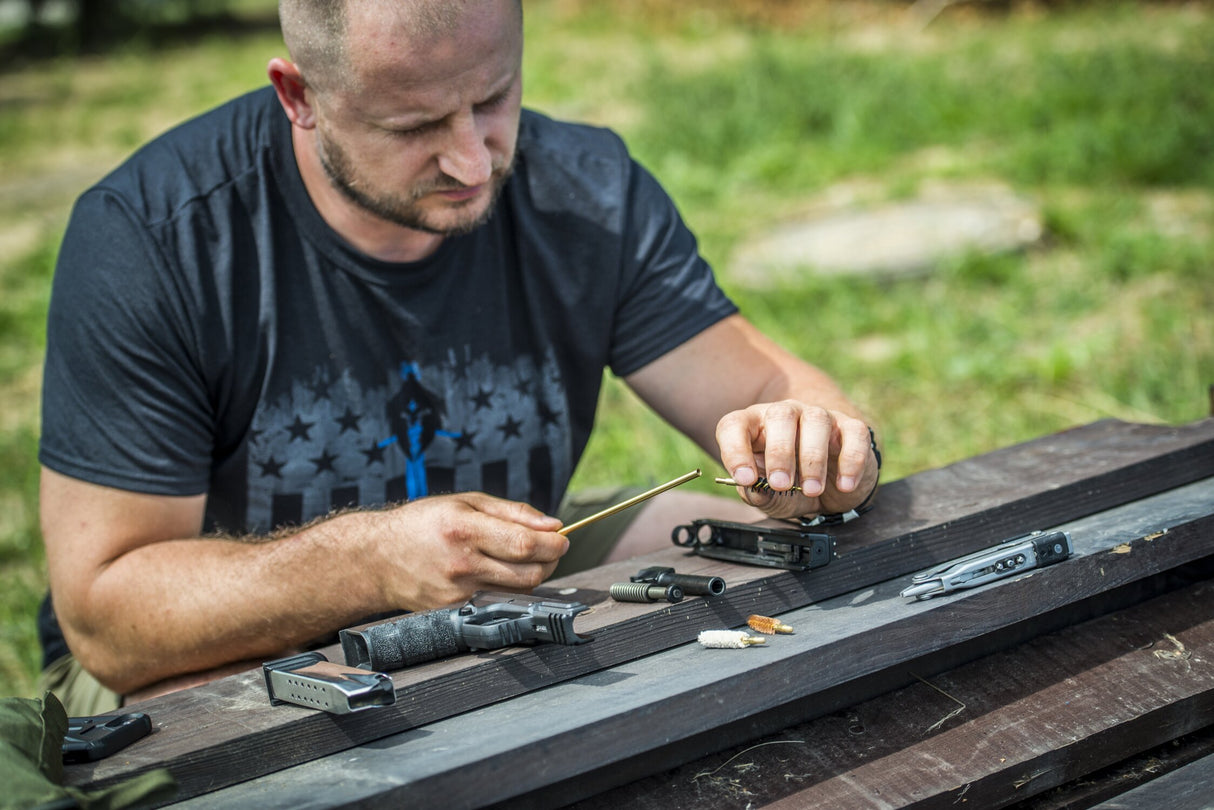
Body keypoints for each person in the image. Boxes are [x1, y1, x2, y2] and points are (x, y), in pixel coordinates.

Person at [36, 0, 880, 715]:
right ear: (299, 96)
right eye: (412, 125)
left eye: (493, 97)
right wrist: (367, 560)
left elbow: (774, 388)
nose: (473, 160)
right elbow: (109, 622)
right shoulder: (154, 238)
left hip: (489, 587)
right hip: (212, 645)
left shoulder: (586, 192)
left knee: (737, 537)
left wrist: (822, 446)